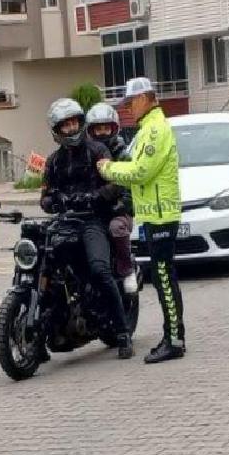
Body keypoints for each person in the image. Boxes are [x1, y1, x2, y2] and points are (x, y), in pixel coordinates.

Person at [97, 77, 186, 365]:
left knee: (164, 278)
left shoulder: (156, 129)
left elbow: (141, 170)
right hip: (154, 213)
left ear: (146, 98)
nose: (128, 108)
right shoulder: (149, 127)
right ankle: (171, 335)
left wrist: (108, 169)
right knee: (162, 278)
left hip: (161, 214)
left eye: (131, 102)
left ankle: (174, 339)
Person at [41, 98, 134, 360]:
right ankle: (40, 340)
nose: (70, 129)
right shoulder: (53, 161)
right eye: (65, 125)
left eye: (74, 123)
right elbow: (45, 196)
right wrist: (53, 201)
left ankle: (123, 332)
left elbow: (115, 183)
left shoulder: (98, 152)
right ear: (57, 130)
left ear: (81, 123)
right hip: (64, 222)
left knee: (99, 270)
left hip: (92, 220)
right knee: (50, 268)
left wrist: (94, 197)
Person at [85, 102, 138, 294]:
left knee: (116, 227)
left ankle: (126, 270)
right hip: (92, 209)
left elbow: (130, 185)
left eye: (106, 128)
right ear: (91, 131)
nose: (102, 133)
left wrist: (122, 206)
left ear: (114, 128)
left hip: (117, 210)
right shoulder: (86, 154)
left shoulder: (122, 155)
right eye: (97, 129)